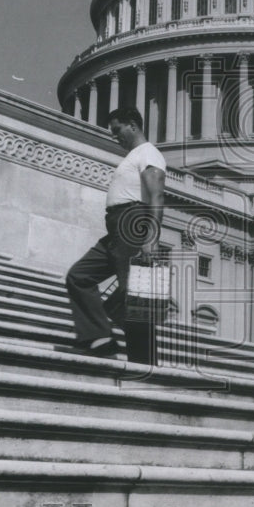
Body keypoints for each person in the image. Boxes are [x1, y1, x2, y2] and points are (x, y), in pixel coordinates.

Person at [65, 106, 166, 363]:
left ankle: (145, 364)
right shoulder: (133, 157)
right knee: (79, 276)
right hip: (116, 230)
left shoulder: (148, 153)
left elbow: (157, 195)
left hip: (132, 223)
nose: (115, 137)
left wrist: (151, 238)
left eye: (118, 130)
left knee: (135, 296)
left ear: (133, 125)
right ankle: (100, 339)